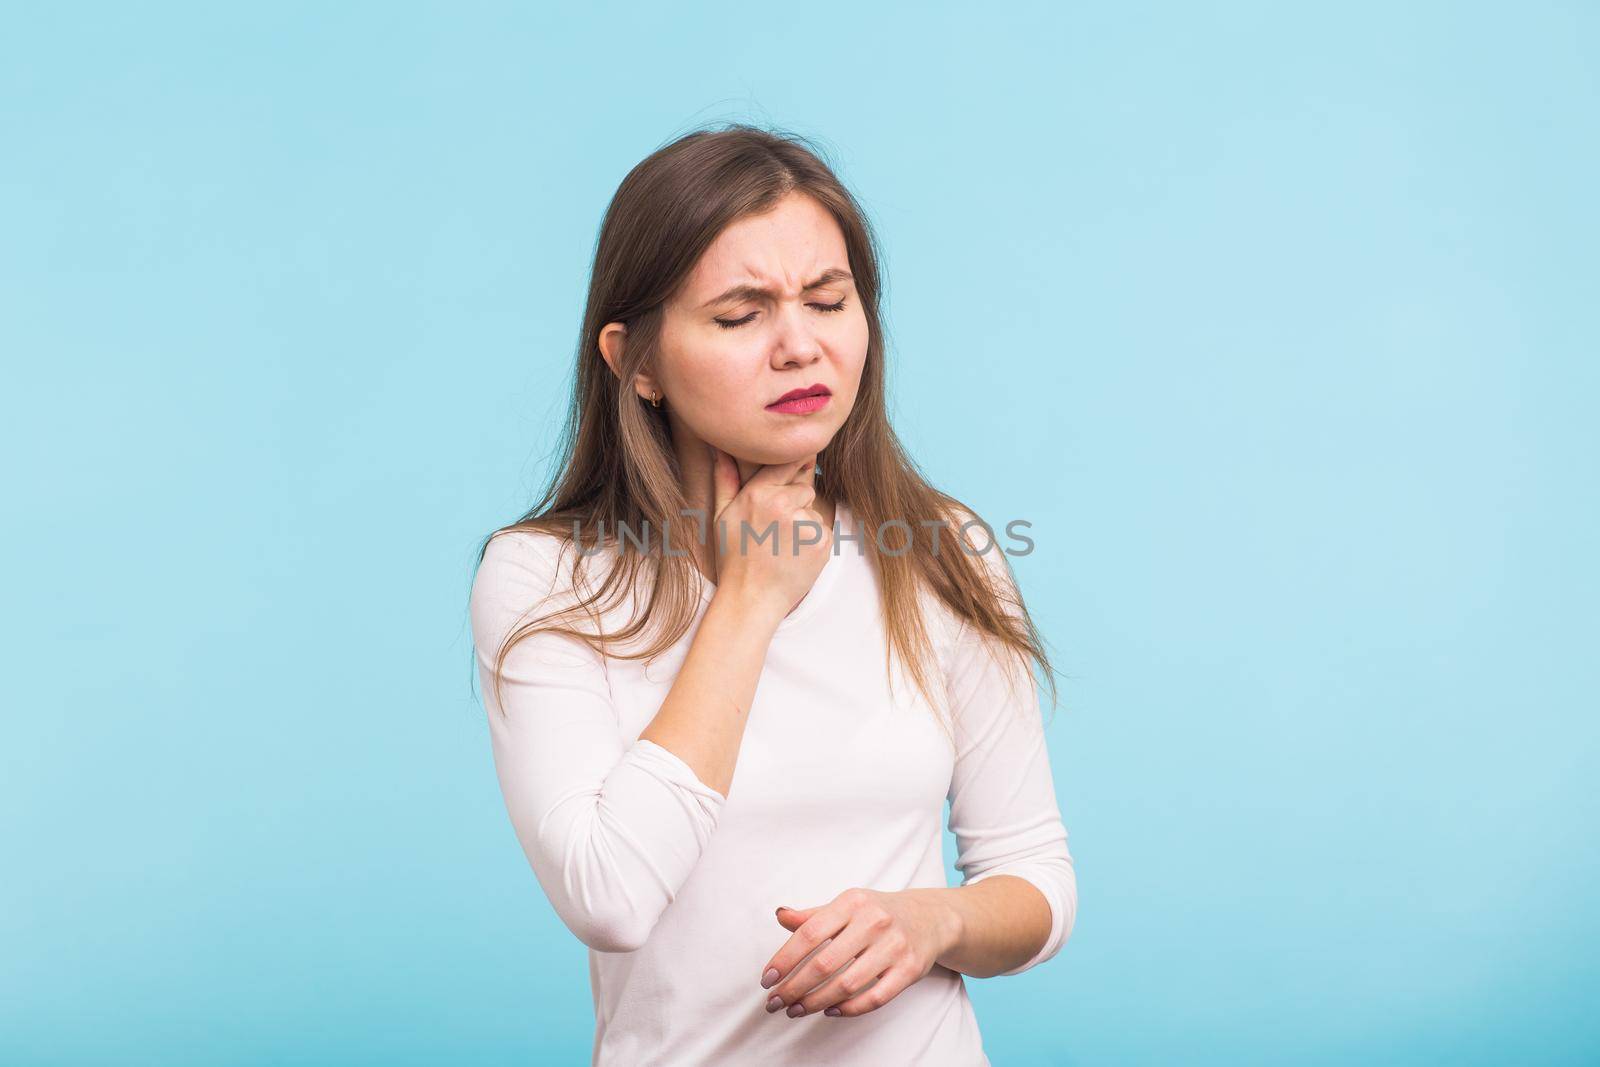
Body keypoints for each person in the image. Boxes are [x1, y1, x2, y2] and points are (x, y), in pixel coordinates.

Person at [468, 123, 1077, 1066]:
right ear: (636, 362)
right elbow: (610, 895)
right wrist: (748, 601)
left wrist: (931, 921)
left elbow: (1037, 879)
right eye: (739, 316)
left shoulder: (942, 549)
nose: (801, 347)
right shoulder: (547, 579)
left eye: (828, 301)